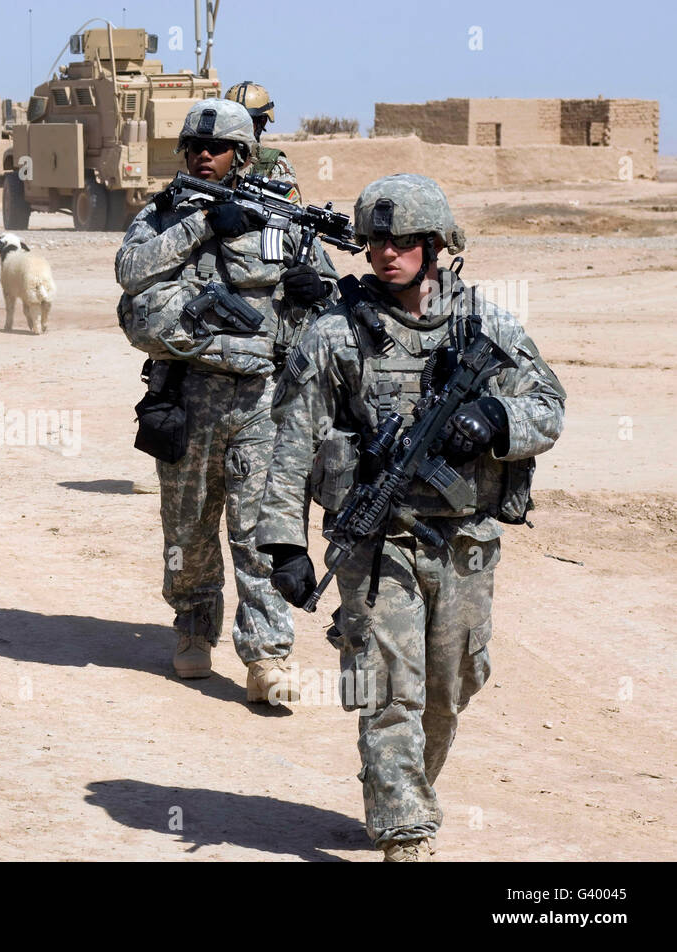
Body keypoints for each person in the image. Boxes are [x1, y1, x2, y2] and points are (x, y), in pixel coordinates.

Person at [255, 174, 566, 859]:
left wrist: (496, 416)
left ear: (434, 244)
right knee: (388, 685)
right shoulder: (335, 334)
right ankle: (404, 829)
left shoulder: (484, 324)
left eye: (401, 241)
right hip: (378, 545)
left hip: (465, 541)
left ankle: (401, 787)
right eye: (375, 242)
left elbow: (550, 406)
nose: (385, 253)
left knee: (453, 684)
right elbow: (291, 442)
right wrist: (284, 543)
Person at [115, 98, 338, 700]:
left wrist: (316, 291)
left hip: (263, 401)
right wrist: (204, 225)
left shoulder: (281, 219)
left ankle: (268, 655)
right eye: (194, 147)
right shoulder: (165, 214)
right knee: (186, 531)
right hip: (187, 399)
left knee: (261, 529)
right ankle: (193, 625)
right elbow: (131, 272)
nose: (203, 156)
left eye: (216, 149)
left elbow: (326, 302)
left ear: (242, 155)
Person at [224, 81, 300, 200]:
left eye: (246, 121)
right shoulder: (213, 158)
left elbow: (292, 211)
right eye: (232, 121)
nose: (237, 128)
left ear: (262, 121)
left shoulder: (275, 165)